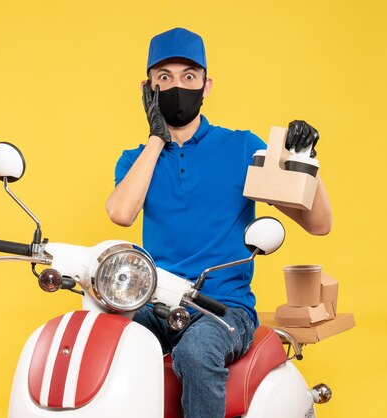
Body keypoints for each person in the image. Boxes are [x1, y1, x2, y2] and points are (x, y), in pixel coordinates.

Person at [105, 27, 332, 418]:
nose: (178, 86)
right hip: (156, 304)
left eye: (189, 77)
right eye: (165, 78)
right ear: (148, 89)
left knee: (195, 353)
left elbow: (319, 223)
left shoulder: (242, 148)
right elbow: (121, 214)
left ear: (206, 86)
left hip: (224, 310)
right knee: (102, 336)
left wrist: (305, 160)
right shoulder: (135, 159)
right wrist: (157, 138)